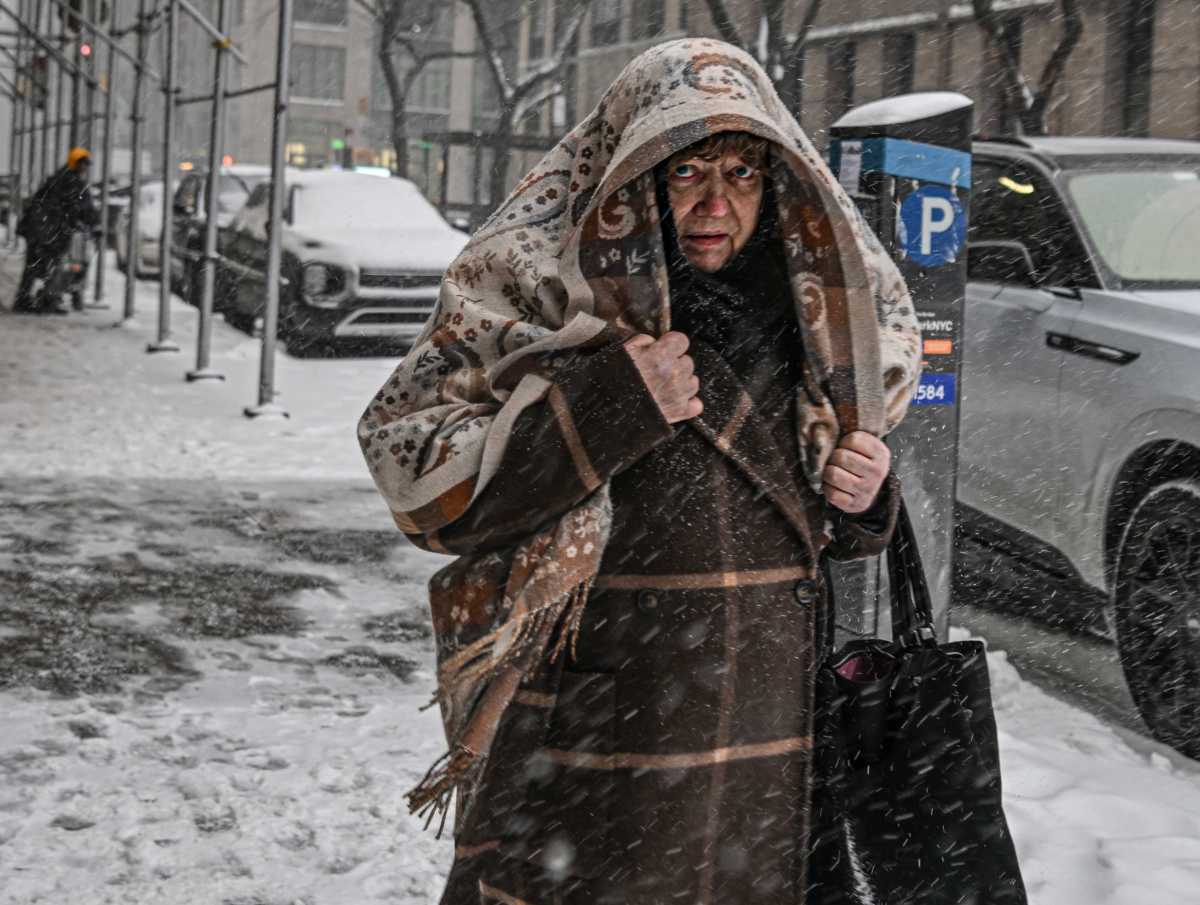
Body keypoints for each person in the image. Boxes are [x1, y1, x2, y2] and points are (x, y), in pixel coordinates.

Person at [359, 39, 922, 905]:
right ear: (629, 176)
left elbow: (814, 526)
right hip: (602, 738)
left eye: (741, 174)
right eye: (686, 171)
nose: (714, 203)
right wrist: (607, 404)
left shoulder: (820, 327)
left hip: (765, 745)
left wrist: (865, 497)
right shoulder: (539, 302)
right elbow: (435, 500)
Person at [14, 147, 98, 313]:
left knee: (35, 265)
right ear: (76, 164)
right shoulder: (73, 182)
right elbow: (85, 207)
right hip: (48, 229)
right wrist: (95, 224)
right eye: (83, 164)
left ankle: (26, 301)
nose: (85, 168)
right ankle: (47, 301)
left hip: (37, 227)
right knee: (52, 264)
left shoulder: (58, 178)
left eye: (86, 164)